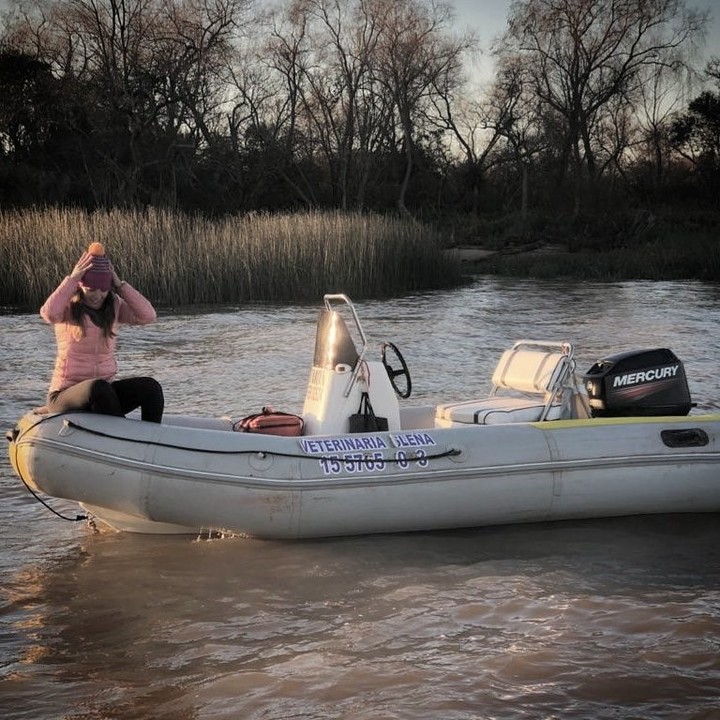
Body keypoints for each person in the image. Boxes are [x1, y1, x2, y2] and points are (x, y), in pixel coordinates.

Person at [40, 242, 164, 423]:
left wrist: (120, 285)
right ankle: (124, 438)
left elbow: (148, 316)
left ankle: (150, 443)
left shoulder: (114, 306)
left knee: (151, 387)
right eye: (91, 289)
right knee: (98, 387)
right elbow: (48, 313)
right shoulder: (67, 307)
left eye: (103, 289)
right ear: (82, 286)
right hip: (65, 395)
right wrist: (73, 279)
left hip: (104, 395)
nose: (97, 295)